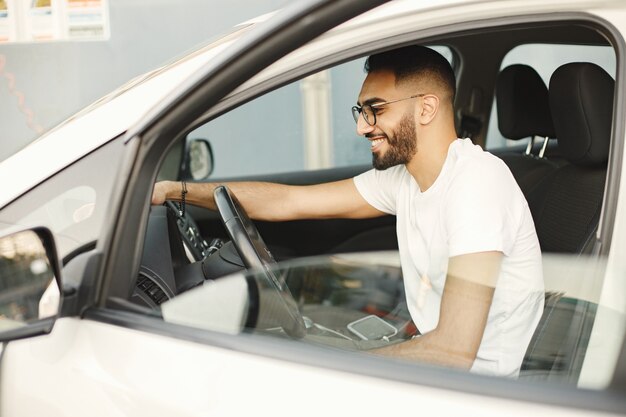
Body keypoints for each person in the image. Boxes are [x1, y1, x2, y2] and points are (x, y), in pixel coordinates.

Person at [153, 45, 544, 377]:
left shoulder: (477, 185)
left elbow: (452, 351)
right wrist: (176, 191)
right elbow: (289, 202)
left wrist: (342, 370)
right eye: (360, 110)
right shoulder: (406, 179)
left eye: (375, 109)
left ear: (426, 109)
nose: (361, 127)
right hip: (435, 367)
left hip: (479, 391)